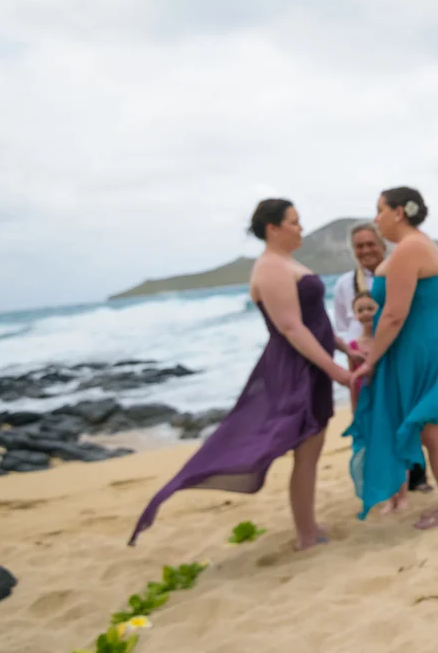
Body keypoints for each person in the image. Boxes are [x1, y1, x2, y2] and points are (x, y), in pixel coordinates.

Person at [129, 199, 354, 551]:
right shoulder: (270, 268)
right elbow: (291, 328)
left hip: (313, 363)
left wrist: (343, 348)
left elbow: (316, 321)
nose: (300, 228)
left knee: (311, 448)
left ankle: (308, 526)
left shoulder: (287, 262)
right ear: (273, 228)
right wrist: (337, 371)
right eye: (294, 222)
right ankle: (307, 535)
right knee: (304, 449)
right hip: (297, 368)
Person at [345, 186, 438, 528]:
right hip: (422, 347)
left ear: (398, 212)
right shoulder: (412, 246)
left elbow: (394, 315)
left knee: (432, 428)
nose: (376, 217)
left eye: (380, 210)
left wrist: (371, 360)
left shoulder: (411, 248)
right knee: (432, 428)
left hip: (424, 351)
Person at [347, 291, 378, 410]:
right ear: (355, 315)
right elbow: (352, 380)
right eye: (360, 310)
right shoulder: (353, 346)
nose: (365, 313)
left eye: (370, 308)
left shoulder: (389, 342)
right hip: (364, 399)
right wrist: (354, 410)